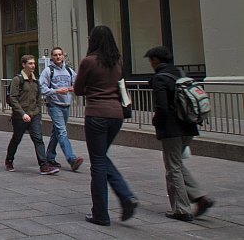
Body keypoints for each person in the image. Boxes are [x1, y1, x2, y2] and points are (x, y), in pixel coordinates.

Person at [74, 25, 138, 226]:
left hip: (96, 114)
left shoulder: (88, 62)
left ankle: (101, 213)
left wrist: (92, 88)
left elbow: (78, 90)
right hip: (116, 115)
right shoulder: (118, 61)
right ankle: (125, 196)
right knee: (101, 157)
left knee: (98, 162)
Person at [145, 46, 214, 221]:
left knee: (172, 167)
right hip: (189, 125)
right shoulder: (180, 74)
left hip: (171, 129)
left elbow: (161, 107)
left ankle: (182, 209)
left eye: (151, 60)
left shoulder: (160, 78)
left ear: (155, 60)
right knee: (177, 163)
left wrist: (157, 122)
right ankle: (200, 197)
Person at [5, 55, 58, 175]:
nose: (33, 66)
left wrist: (38, 113)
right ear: (24, 65)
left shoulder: (36, 81)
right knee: (16, 139)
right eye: (30, 63)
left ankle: (43, 165)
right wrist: (22, 113)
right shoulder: (17, 80)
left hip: (34, 115)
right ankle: (9, 160)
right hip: (20, 117)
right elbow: (13, 98)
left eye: (33, 63)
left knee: (38, 139)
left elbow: (38, 98)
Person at [39, 47, 84, 171]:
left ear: (63, 56)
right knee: (62, 132)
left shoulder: (69, 71)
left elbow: (78, 83)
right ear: (52, 57)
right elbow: (41, 88)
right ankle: (72, 159)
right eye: (55, 55)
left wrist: (74, 88)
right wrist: (55, 91)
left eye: (60, 54)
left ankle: (49, 157)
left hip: (66, 106)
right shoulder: (48, 71)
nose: (58, 57)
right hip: (54, 106)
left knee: (57, 132)